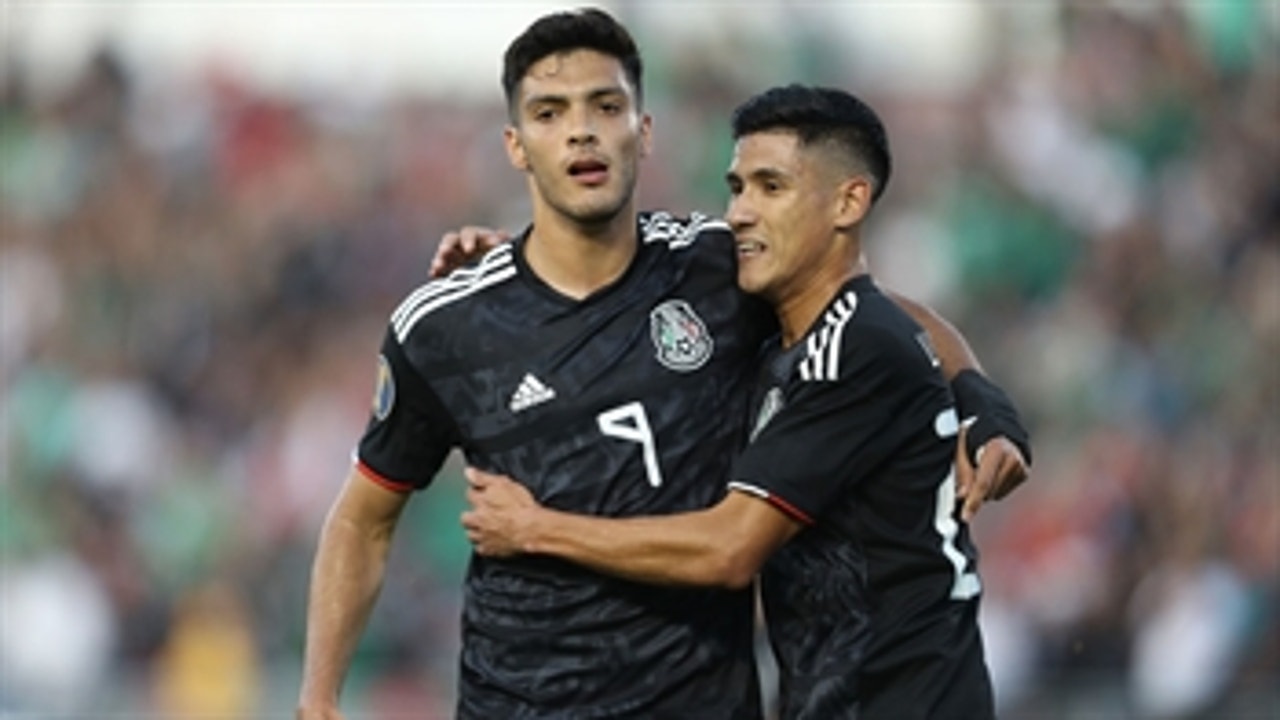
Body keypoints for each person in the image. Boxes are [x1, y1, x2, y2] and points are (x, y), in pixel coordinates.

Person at [298, 8, 1026, 719]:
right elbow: (364, 520)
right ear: (517, 146)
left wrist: (979, 397)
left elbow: (879, 311)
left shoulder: (714, 268)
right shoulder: (447, 326)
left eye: (605, 105)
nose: (582, 128)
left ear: (643, 132)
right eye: (550, 112)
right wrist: (318, 699)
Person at [461, 84, 1029, 719]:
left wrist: (537, 529)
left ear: (848, 201)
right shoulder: (804, 326)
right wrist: (531, 265)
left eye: (771, 186)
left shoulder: (854, 348)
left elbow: (730, 549)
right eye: (737, 187)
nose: (739, 212)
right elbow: (919, 324)